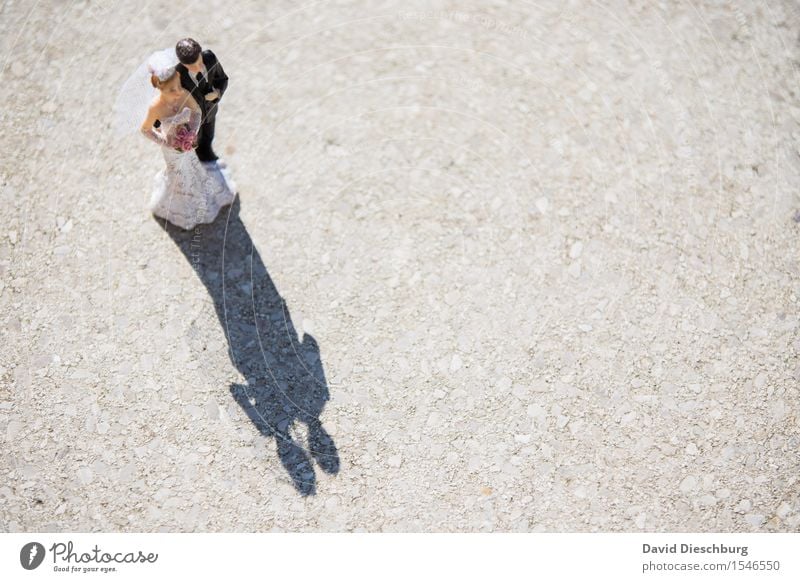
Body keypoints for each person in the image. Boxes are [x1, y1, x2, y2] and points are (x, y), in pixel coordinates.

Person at [137, 50, 235, 229]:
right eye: (172, 89)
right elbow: (145, 129)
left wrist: (191, 131)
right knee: (178, 175)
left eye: (179, 87)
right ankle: (177, 205)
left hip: (188, 143)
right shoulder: (155, 108)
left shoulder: (183, 94)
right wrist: (164, 141)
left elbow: (196, 113)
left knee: (193, 169)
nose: (178, 92)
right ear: (160, 88)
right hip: (170, 147)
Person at [174, 38, 228, 163]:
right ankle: (194, 159)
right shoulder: (177, 75)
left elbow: (222, 79)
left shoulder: (210, 58)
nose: (198, 67)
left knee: (209, 135)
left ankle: (207, 152)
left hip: (210, 110)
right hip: (192, 118)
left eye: (199, 62)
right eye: (193, 67)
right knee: (193, 141)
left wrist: (217, 93)